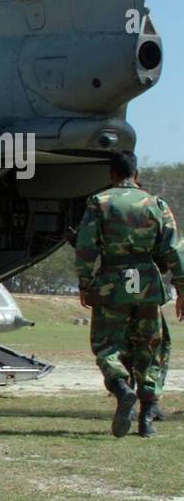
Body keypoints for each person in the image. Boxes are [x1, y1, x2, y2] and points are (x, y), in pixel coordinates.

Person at [75, 151, 184, 437]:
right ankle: (147, 419)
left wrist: (85, 283)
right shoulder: (156, 204)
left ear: (111, 175)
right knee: (151, 348)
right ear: (136, 175)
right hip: (146, 284)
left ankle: (122, 389)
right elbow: (173, 249)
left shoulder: (99, 202)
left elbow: (86, 247)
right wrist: (182, 288)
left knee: (107, 346)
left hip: (113, 284)